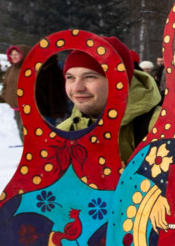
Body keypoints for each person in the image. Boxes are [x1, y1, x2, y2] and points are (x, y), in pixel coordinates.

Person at [56, 35, 161, 164]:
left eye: (90, 77)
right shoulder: (62, 134)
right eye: (70, 77)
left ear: (118, 81)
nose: (77, 88)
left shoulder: (161, 127)